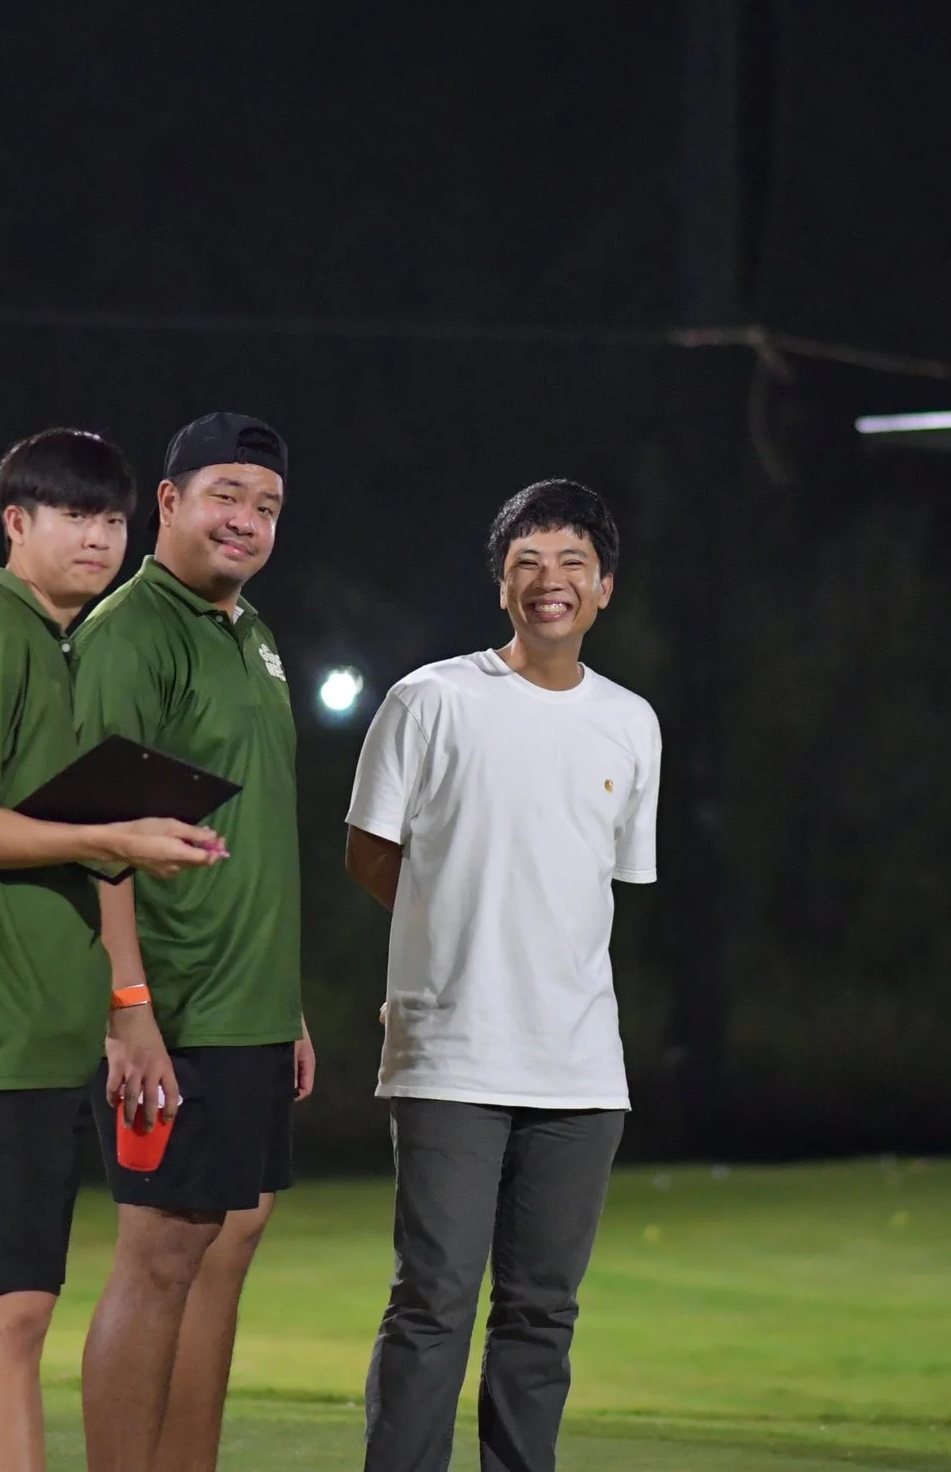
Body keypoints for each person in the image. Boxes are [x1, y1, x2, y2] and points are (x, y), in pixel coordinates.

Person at [0, 428, 224, 1472]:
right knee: (11, 1309)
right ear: (15, 522)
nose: (98, 537)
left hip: (35, 1020)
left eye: (112, 519)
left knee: (22, 1300)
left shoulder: (54, 639)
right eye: (71, 515)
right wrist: (100, 843)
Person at [346, 480, 661, 1472]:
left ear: (605, 586)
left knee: (541, 1314)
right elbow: (368, 849)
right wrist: (446, 940)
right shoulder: (430, 698)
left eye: (571, 562)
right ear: (500, 584)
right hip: (449, 1053)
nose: (549, 580)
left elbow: (602, 882)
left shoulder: (631, 721)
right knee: (431, 1301)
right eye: (527, 561)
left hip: (579, 1069)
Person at [73, 412, 314, 1472]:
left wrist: (287, 1003)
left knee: (228, 1238)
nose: (247, 519)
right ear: (166, 502)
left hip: (248, 1001)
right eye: (226, 494)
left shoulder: (248, 632)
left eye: (265, 503)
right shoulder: (136, 629)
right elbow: (97, 836)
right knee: (161, 1250)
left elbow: (250, 826)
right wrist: (129, 1007)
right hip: (170, 1006)